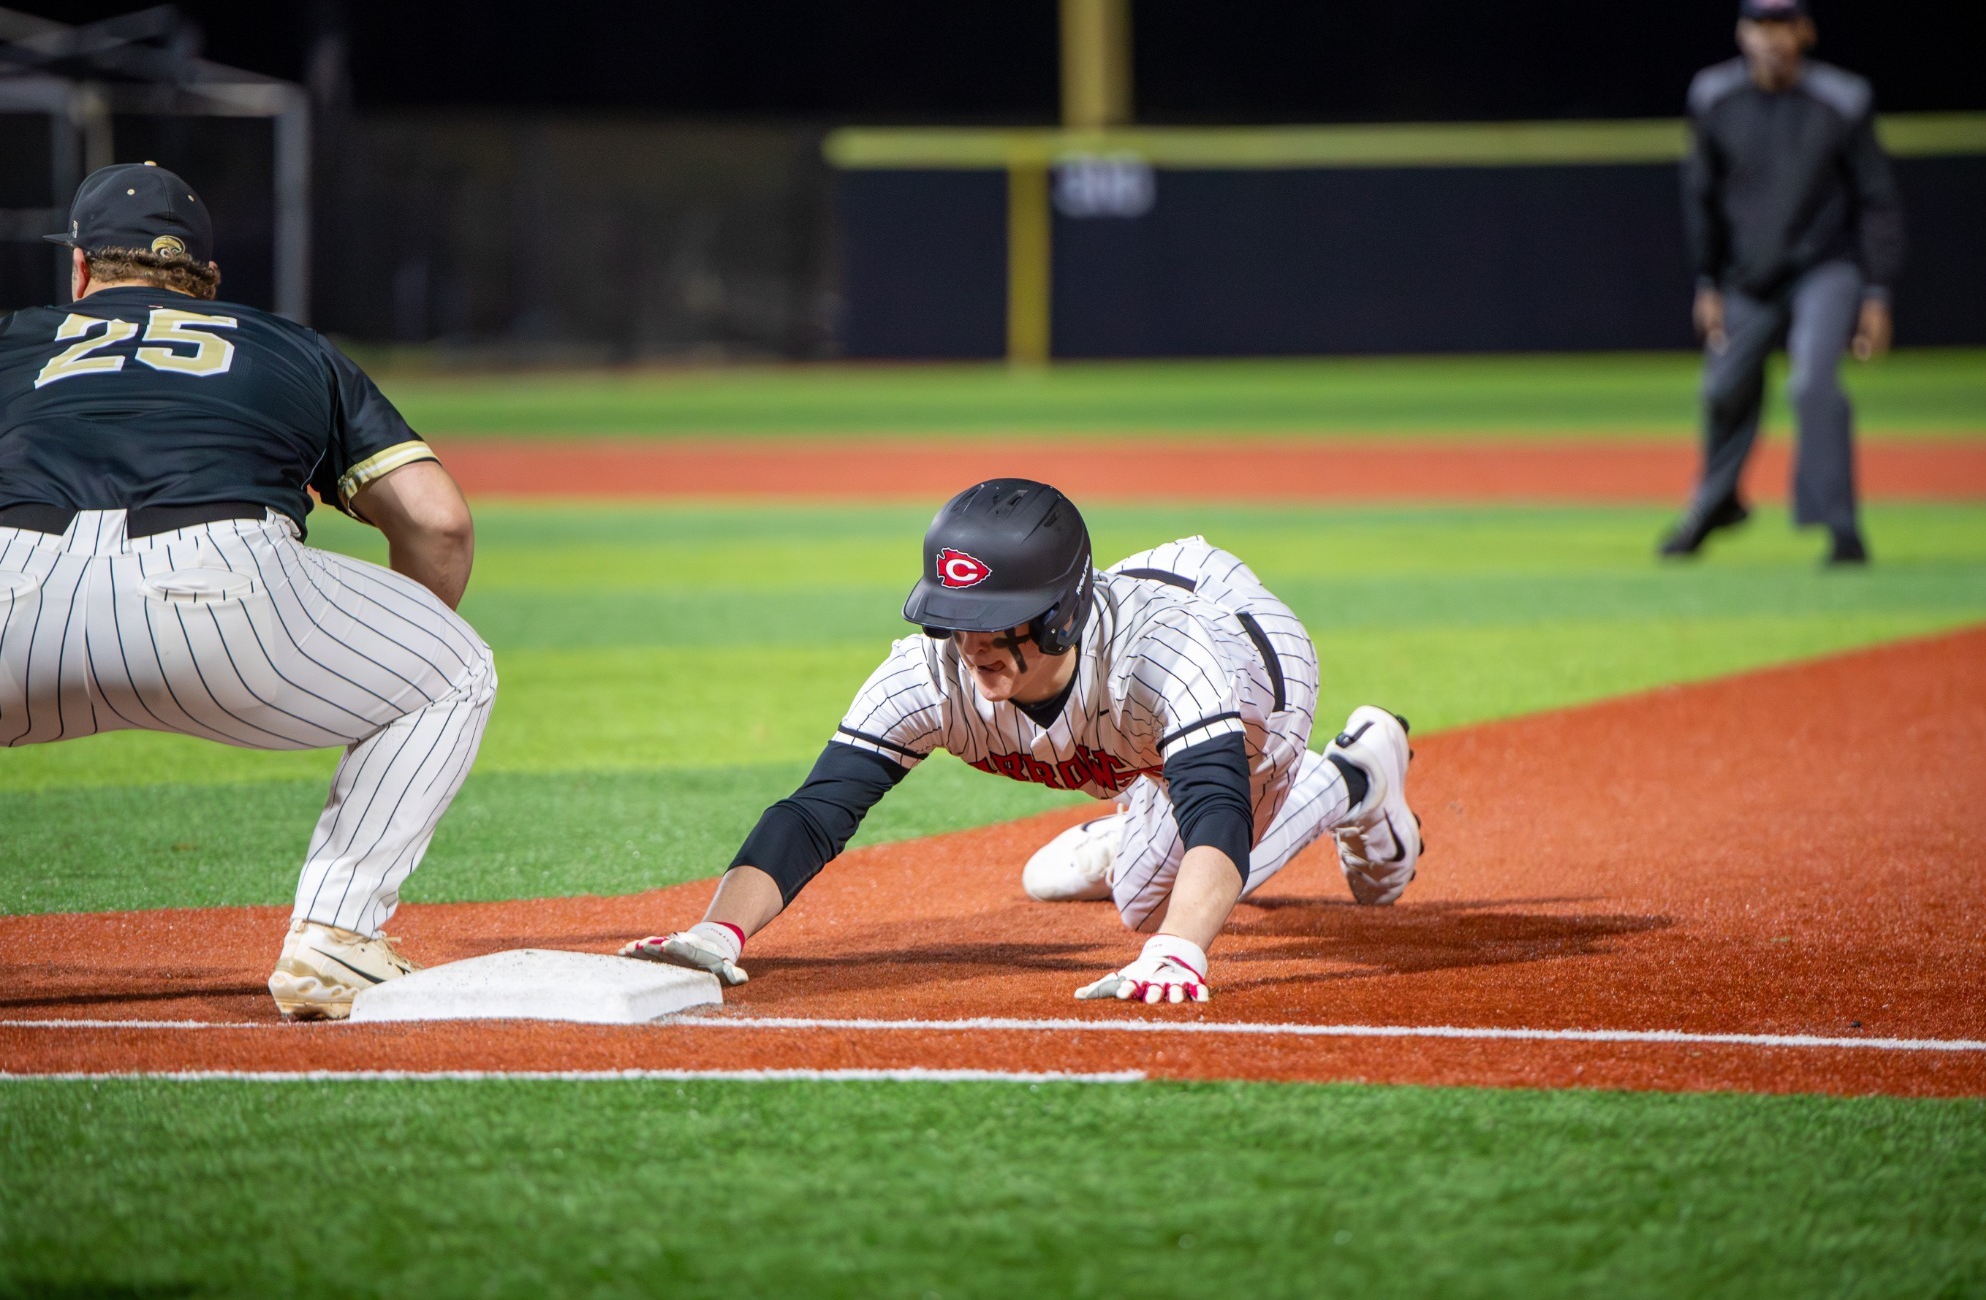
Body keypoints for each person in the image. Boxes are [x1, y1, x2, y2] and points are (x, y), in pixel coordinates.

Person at [0, 163, 497, 1020]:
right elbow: (439, 522)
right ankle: (336, 939)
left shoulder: (12, 335)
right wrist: (380, 658)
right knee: (452, 669)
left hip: (9, 580)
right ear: (208, 281)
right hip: (218, 591)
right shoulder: (284, 343)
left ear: (79, 270)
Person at [622, 478, 1422, 1004]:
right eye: (954, 616)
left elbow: (1216, 805)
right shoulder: (931, 675)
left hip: (1251, 672)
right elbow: (820, 807)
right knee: (1125, 853)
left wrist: (1181, 947)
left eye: (992, 618)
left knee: (1152, 904)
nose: (969, 643)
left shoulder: (1174, 659)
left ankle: (1354, 773)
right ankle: (1143, 807)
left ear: (1060, 615)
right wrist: (714, 930)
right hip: (1140, 717)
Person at [1662, 0, 1903, 566]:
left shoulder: (1843, 99)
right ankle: (1715, 505)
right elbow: (1701, 196)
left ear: (1805, 31)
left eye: (1783, 25)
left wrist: (1877, 291)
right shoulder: (1713, 96)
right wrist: (1708, 281)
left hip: (1826, 267)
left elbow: (1877, 199)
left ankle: (1841, 530)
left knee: (1812, 383)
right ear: (1742, 33)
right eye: (1760, 26)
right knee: (1721, 387)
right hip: (1748, 275)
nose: (1772, 39)